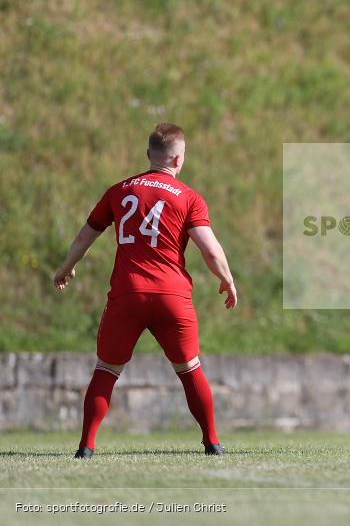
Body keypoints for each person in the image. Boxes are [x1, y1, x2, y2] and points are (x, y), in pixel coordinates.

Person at [53, 123, 237, 458]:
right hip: (172, 297)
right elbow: (209, 250)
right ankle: (212, 442)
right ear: (178, 159)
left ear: (148, 154)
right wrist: (227, 278)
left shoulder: (119, 191)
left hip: (127, 294)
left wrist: (66, 268)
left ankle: (86, 446)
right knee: (189, 369)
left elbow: (84, 237)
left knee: (107, 370)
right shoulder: (189, 198)